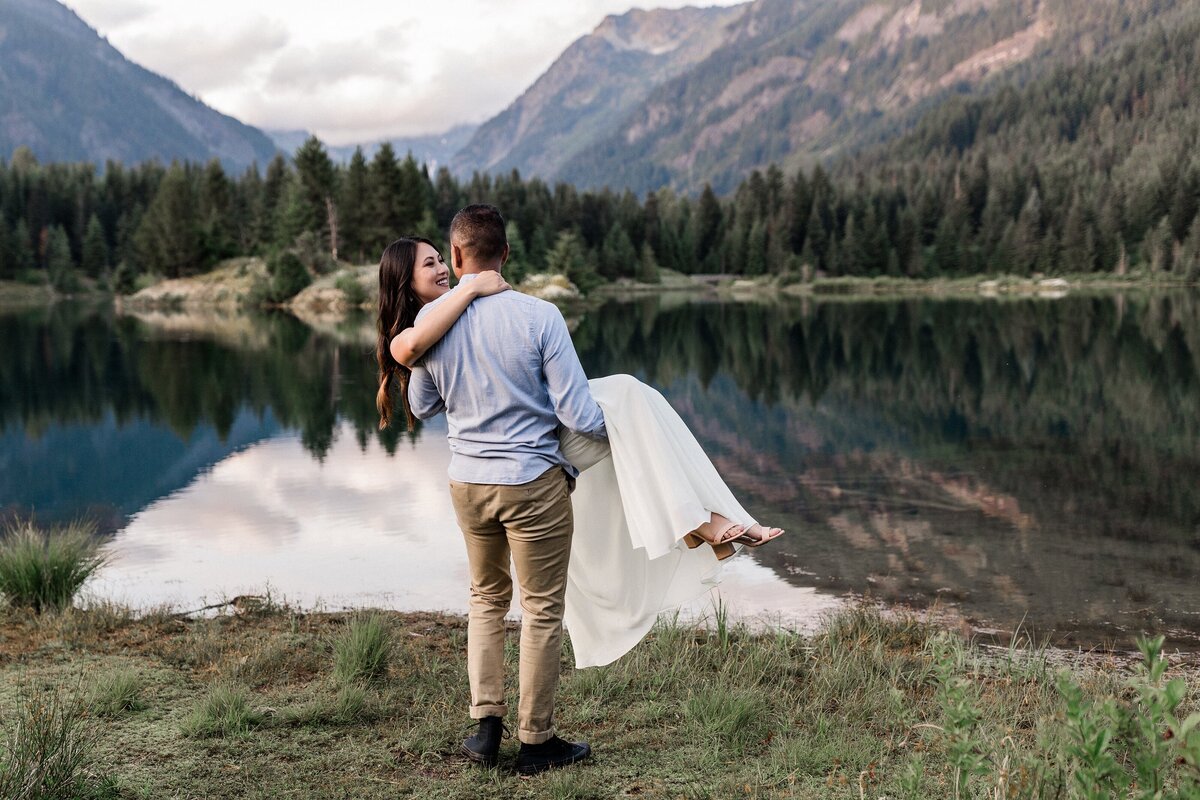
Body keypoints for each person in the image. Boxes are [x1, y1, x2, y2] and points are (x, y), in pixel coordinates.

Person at [374, 207, 783, 773]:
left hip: (468, 484)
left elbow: (421, 406)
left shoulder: (433, 329)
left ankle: (484, 729)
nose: (444, 266)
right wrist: (610, 429)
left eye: (446, 257)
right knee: (542, 607)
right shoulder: (540, 317)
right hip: (530, 484)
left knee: (486, 599)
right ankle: (536, 741)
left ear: (462, 258)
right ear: (507, 255)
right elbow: (580, 415)